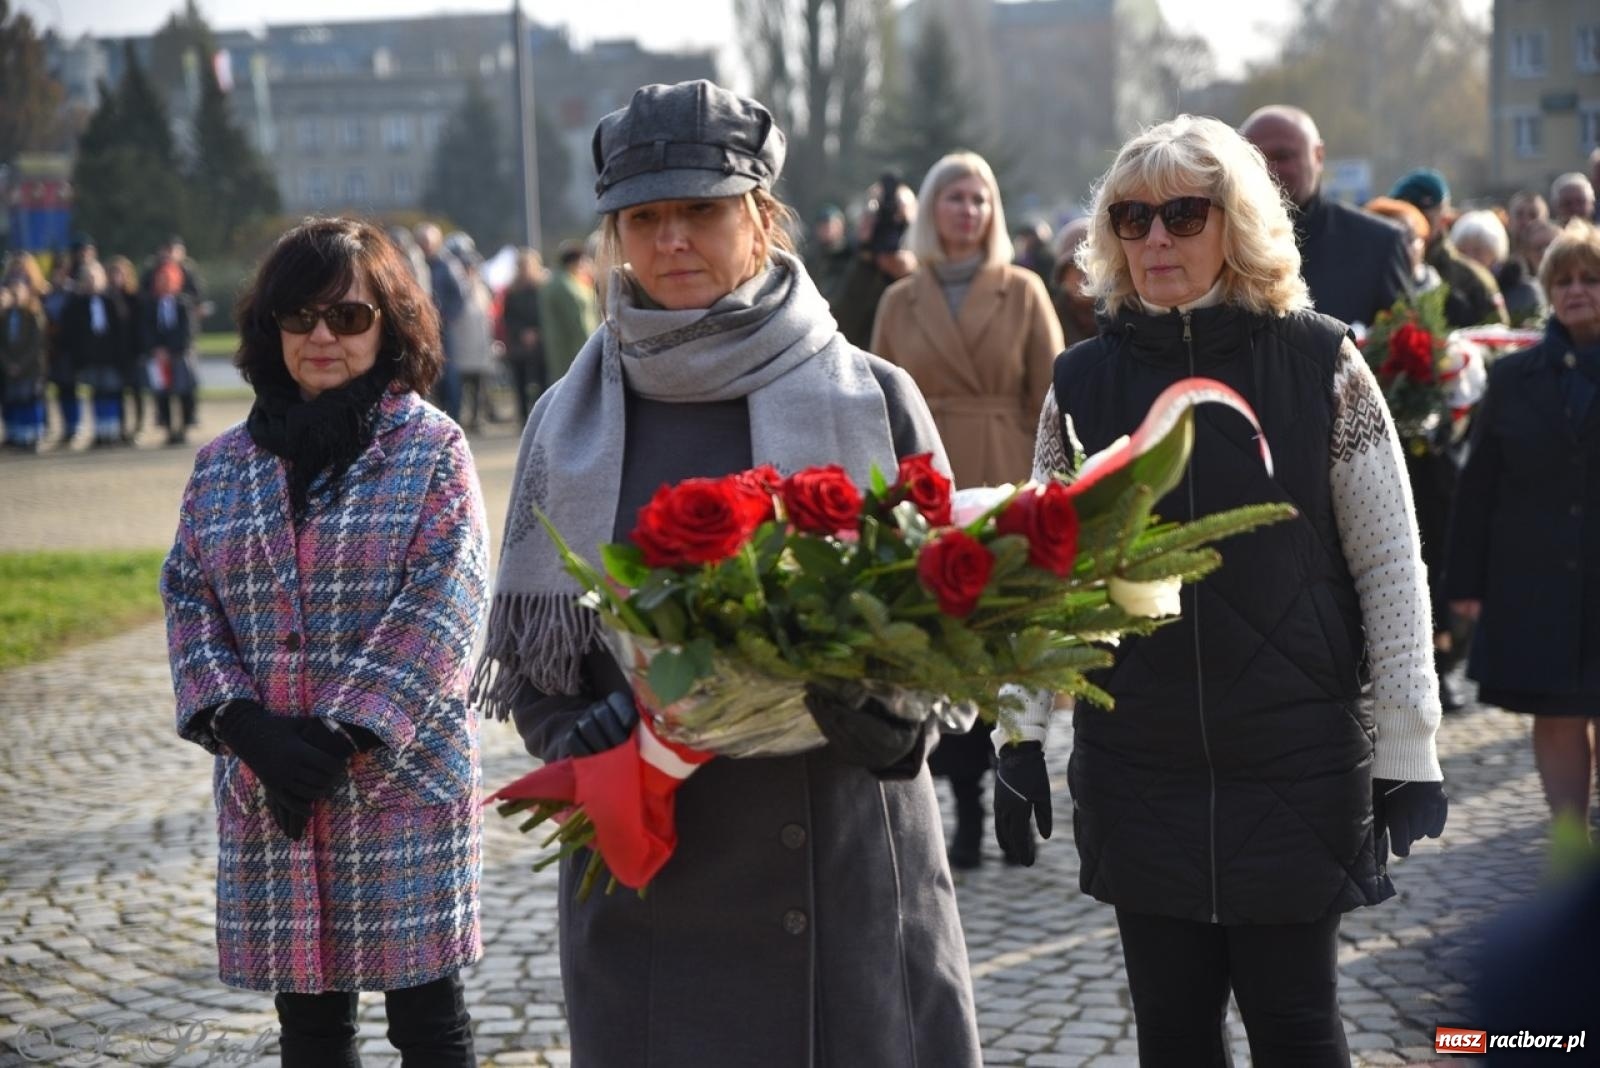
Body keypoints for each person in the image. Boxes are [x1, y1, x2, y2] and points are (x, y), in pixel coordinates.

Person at [473, 79, 981, 1068]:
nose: (671, 240)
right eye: (644, 217)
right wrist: (573, 733)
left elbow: (949, 633)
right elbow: (538, 662)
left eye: (700, 210)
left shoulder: (874, 396)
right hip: (654, 885)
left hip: (842, 863)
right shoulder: (564, 426)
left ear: (758, 217)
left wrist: (896, 720)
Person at [995, 115, 1447, 1066]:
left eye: (1183, 214)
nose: (1156, 238)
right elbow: (1041, 575)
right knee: (1173, 1035)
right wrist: (1019, 732)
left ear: (1234, 222)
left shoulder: (1326, 363)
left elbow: (1389, 561)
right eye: (1131, 217)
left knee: (1297, 1029)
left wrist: (1409, 740)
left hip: (1296, 755)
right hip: (1138, 762)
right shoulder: (1079, 384)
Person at [161, 217, 488, 1067]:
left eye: (347, 317)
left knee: (428, 1019)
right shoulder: (222, 464)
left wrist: (345, 730)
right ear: (270, 327)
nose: (321, 337)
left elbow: (444, 605)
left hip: (397, 778)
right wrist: (244, 726)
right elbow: (189, 597)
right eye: (299, 316)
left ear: (389, 324)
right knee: (308, 1026)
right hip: (272, 783)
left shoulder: (432, 450)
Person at [868, 151, 1064, 869]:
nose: (968, 211)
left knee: (1004, 646)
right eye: (954, 197)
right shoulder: (900, 300)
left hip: (1004, 470)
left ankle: (1012, 787)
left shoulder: (1024, 290)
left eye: (980, 199)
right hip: (929, 488)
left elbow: (1053, 400)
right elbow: (877, 408)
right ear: (929, 208)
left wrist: (1052, 494)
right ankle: (963, 807)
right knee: (944, 650)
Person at [1447, 220, 1600, 843]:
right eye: (1562, 280)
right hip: (1537, 577)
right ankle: (1569, 841)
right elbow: (1477, 486)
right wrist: (1465, 581)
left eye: (1591, 278)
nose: (1577, 290)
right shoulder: (1512, 380)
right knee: (1560, 712)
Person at [1241, 105, 1413, 331]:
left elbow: (1406, 349)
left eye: (1283, 156)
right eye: (1256, 159)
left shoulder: (1379, 244)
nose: (1268, 170)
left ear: (1318, 156)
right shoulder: (1216, 246)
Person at [1389, 168, 1508, 329]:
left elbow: (1498, 337)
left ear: (1443, 218)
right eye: (1402, 222)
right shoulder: (1382, 271)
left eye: (1424, 219)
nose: (1416, 229)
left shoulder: (1469, 278)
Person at [831, 175, 918, 348]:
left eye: (898, 219)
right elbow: (839, 327)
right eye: (879, 214)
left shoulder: (933, 269)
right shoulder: (839, 260)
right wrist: (865, 262)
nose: (888, 224)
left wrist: (912, 276)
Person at [61, 261, 133, 447]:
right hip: (90, 358)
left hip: (111, 358)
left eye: (94, 278)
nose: (91, 282)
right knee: (96, 394)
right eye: (87, 279)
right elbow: (72, 334)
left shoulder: (111, 300)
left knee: (111, 393)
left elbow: (122, 331)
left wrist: (122, 357)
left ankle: (113, 432)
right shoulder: (77, 304)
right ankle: (100, 433)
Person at [140, 262, 199, 446]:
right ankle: (168, 428)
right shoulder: (151, 304)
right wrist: (157, 349)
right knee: (162, 393)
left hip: (179, 354)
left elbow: (188, 330)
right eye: (161, 280)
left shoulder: (183, 303)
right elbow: (147, 329)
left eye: (168, 280)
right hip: (159, 356)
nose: (164, 283)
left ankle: (183, 427)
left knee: (184, 391)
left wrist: (173, 350)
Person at [1452, 210, 1543, 325]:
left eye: (1478, 250)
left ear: (1496, 253)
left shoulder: (1524, 291)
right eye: (1462, 252)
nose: (1470, 258)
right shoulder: (1451, 292)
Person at [415, 222, 465, 420]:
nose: (425, 246)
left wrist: (447, 317)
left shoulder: (448, 265)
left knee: (449, 372)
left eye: (428, 242)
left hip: (443, 328)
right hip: (420, 327)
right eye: (422, 242)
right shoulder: (414, 263)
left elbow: (460, 295)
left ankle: (453, 414)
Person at [537, 240, 599, 385]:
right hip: (576, 346)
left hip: (559, 345)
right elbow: (577, 320)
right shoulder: (568, 286)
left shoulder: (554, 282)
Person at [1, 275, 49, 451]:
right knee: (17, 401)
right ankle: (20, 437)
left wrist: (21, 364)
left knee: (31, 401)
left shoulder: (34, 314)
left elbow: (36, 344)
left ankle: (35, 437)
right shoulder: (5, 316)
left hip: (31, 368)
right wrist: (8, 364)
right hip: (11, 368)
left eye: (18, 290)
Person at [500, 248, 546, 424]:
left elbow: (546, 315)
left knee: (541, 382)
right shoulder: (512, 292)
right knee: (520, 384)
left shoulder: (542, 289)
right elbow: (508, 317)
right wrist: (522, 332)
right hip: (518, 345)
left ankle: (540, 418)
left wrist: (537, 331)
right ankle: (523, 418)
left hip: (540, 344)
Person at [1364, 195, 1441, 295]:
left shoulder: (1437, 292)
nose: (1403, 248)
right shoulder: (1358, 291)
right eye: (1395, 240)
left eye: (1410, 238)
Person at [106, 256, 148, 441]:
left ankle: (138, 426)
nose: (117, 277)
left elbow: (141, 326)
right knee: (119, 392)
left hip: (134, 353)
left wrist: (142, 350)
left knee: (136, 391)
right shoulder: (106, 298)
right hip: (115, 354)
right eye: (114, 274)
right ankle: (122, 428)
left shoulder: (135, 297)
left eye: (120, 274)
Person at [1050, 216, 1096, 346]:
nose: (1086, 272)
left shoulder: (1127, 317)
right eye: (1077, 265)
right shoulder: (1048, 315)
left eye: (1093, 263)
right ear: (1062, 274)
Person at [802, 203, 853, 305]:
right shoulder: (812, 257)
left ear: (841, 226)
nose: (827, 230)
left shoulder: (849, 255)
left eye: (831, 225)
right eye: (823, 226)